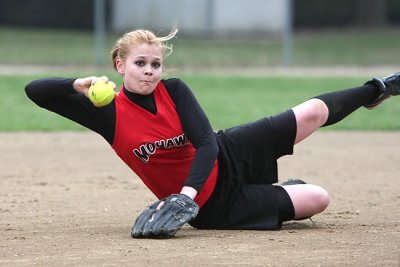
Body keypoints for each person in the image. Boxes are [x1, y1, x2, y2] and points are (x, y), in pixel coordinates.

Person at [25, 28, 400, 238]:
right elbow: (35, 91)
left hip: (226, 153)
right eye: (140, 63)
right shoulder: (107, 114)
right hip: (214, 208)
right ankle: (284, 191)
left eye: (156, 63)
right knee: (318, 198)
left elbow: (206, 144)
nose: (150, 71)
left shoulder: (174, 91)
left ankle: (377, 89)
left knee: (313, 112)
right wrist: (80, 82)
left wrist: (184, 194)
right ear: (120, 65)